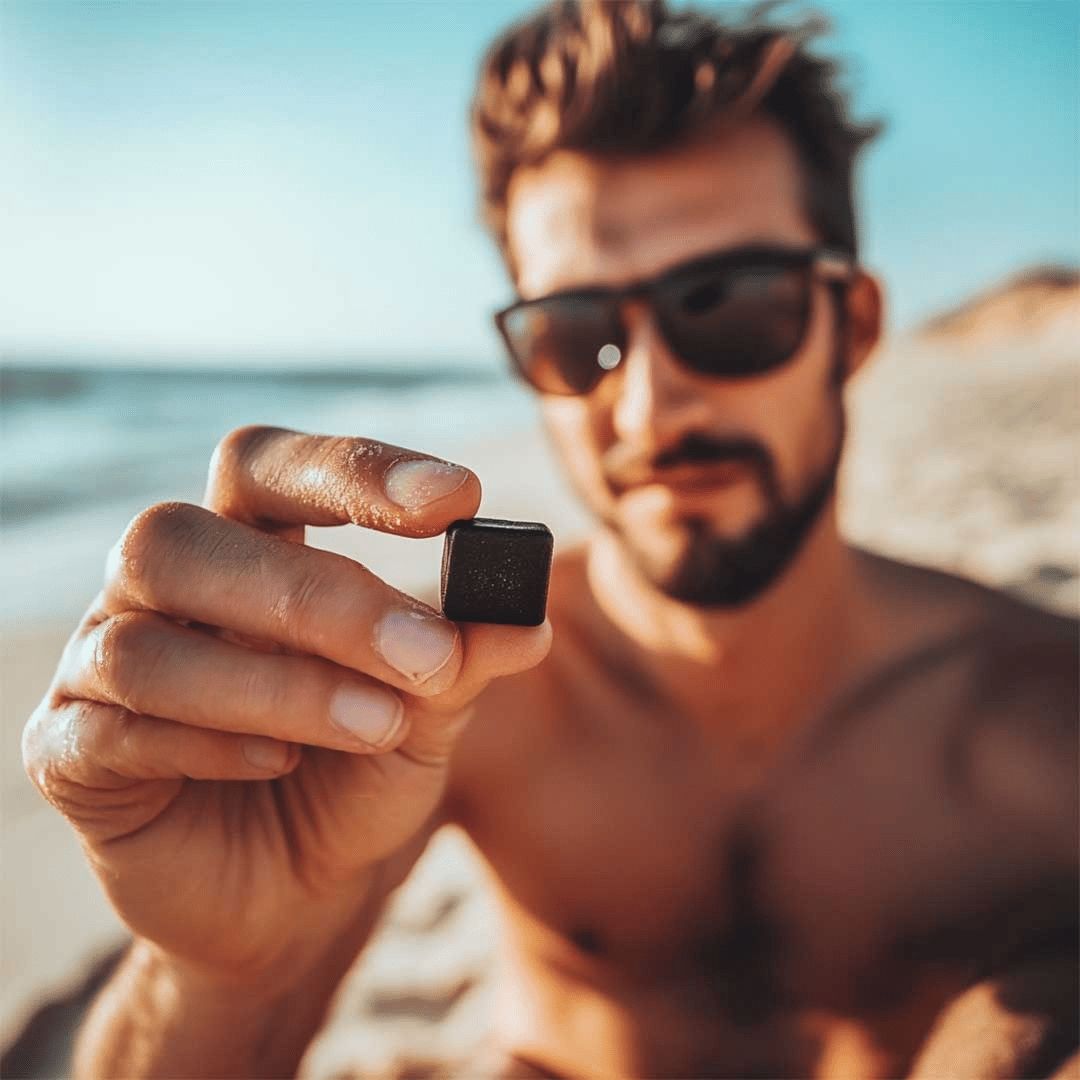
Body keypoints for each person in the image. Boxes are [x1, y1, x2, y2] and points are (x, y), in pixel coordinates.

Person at [23, 2, 1078, 1077]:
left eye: (732, 305)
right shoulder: (459, 704)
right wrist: (215, 974)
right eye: (579, 336)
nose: (652, 406)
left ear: (849, 327)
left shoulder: (1051, 718)